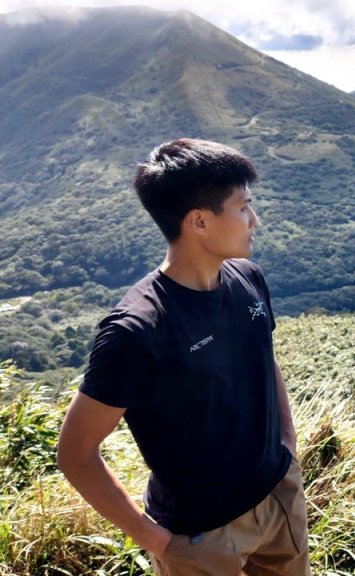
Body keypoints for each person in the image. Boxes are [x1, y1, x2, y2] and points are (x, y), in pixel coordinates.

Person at [56, 138, 311, 575]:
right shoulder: (137, 331)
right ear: (199, 221)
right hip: (201, 534)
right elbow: (75, 453)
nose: (255, 220)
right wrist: (158, 542)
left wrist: (287, 444)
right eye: (244, 207)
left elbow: (264, 358)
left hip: (278, 495)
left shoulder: (248, 278)